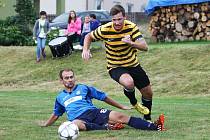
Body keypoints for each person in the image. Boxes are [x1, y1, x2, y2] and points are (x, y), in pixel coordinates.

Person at [82, 5, 154, 121]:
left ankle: (147, 118)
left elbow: (145, 47)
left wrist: (131, 43)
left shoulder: (131, 27)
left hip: (133, 64)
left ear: (124, 17)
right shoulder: (105, 29)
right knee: (129, 82)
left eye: (119, 19)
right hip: (115, 66)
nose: (116, 22)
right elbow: (88, 36)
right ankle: (134, 102)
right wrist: (86, 49)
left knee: (148, 93)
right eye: (114, 20)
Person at [41, 69, 165, 132]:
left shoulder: (84, 88)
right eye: (66, 78)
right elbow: (56, 114)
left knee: (121, 117)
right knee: (75, 125)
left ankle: (155, 126)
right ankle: (106, 127)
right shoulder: (60, 97)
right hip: (78, 118)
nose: (70, 80)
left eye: (71, 77)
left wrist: (121, 107)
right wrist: (46, 124)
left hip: (94, 112)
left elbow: (104, 97)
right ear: (61, 81)